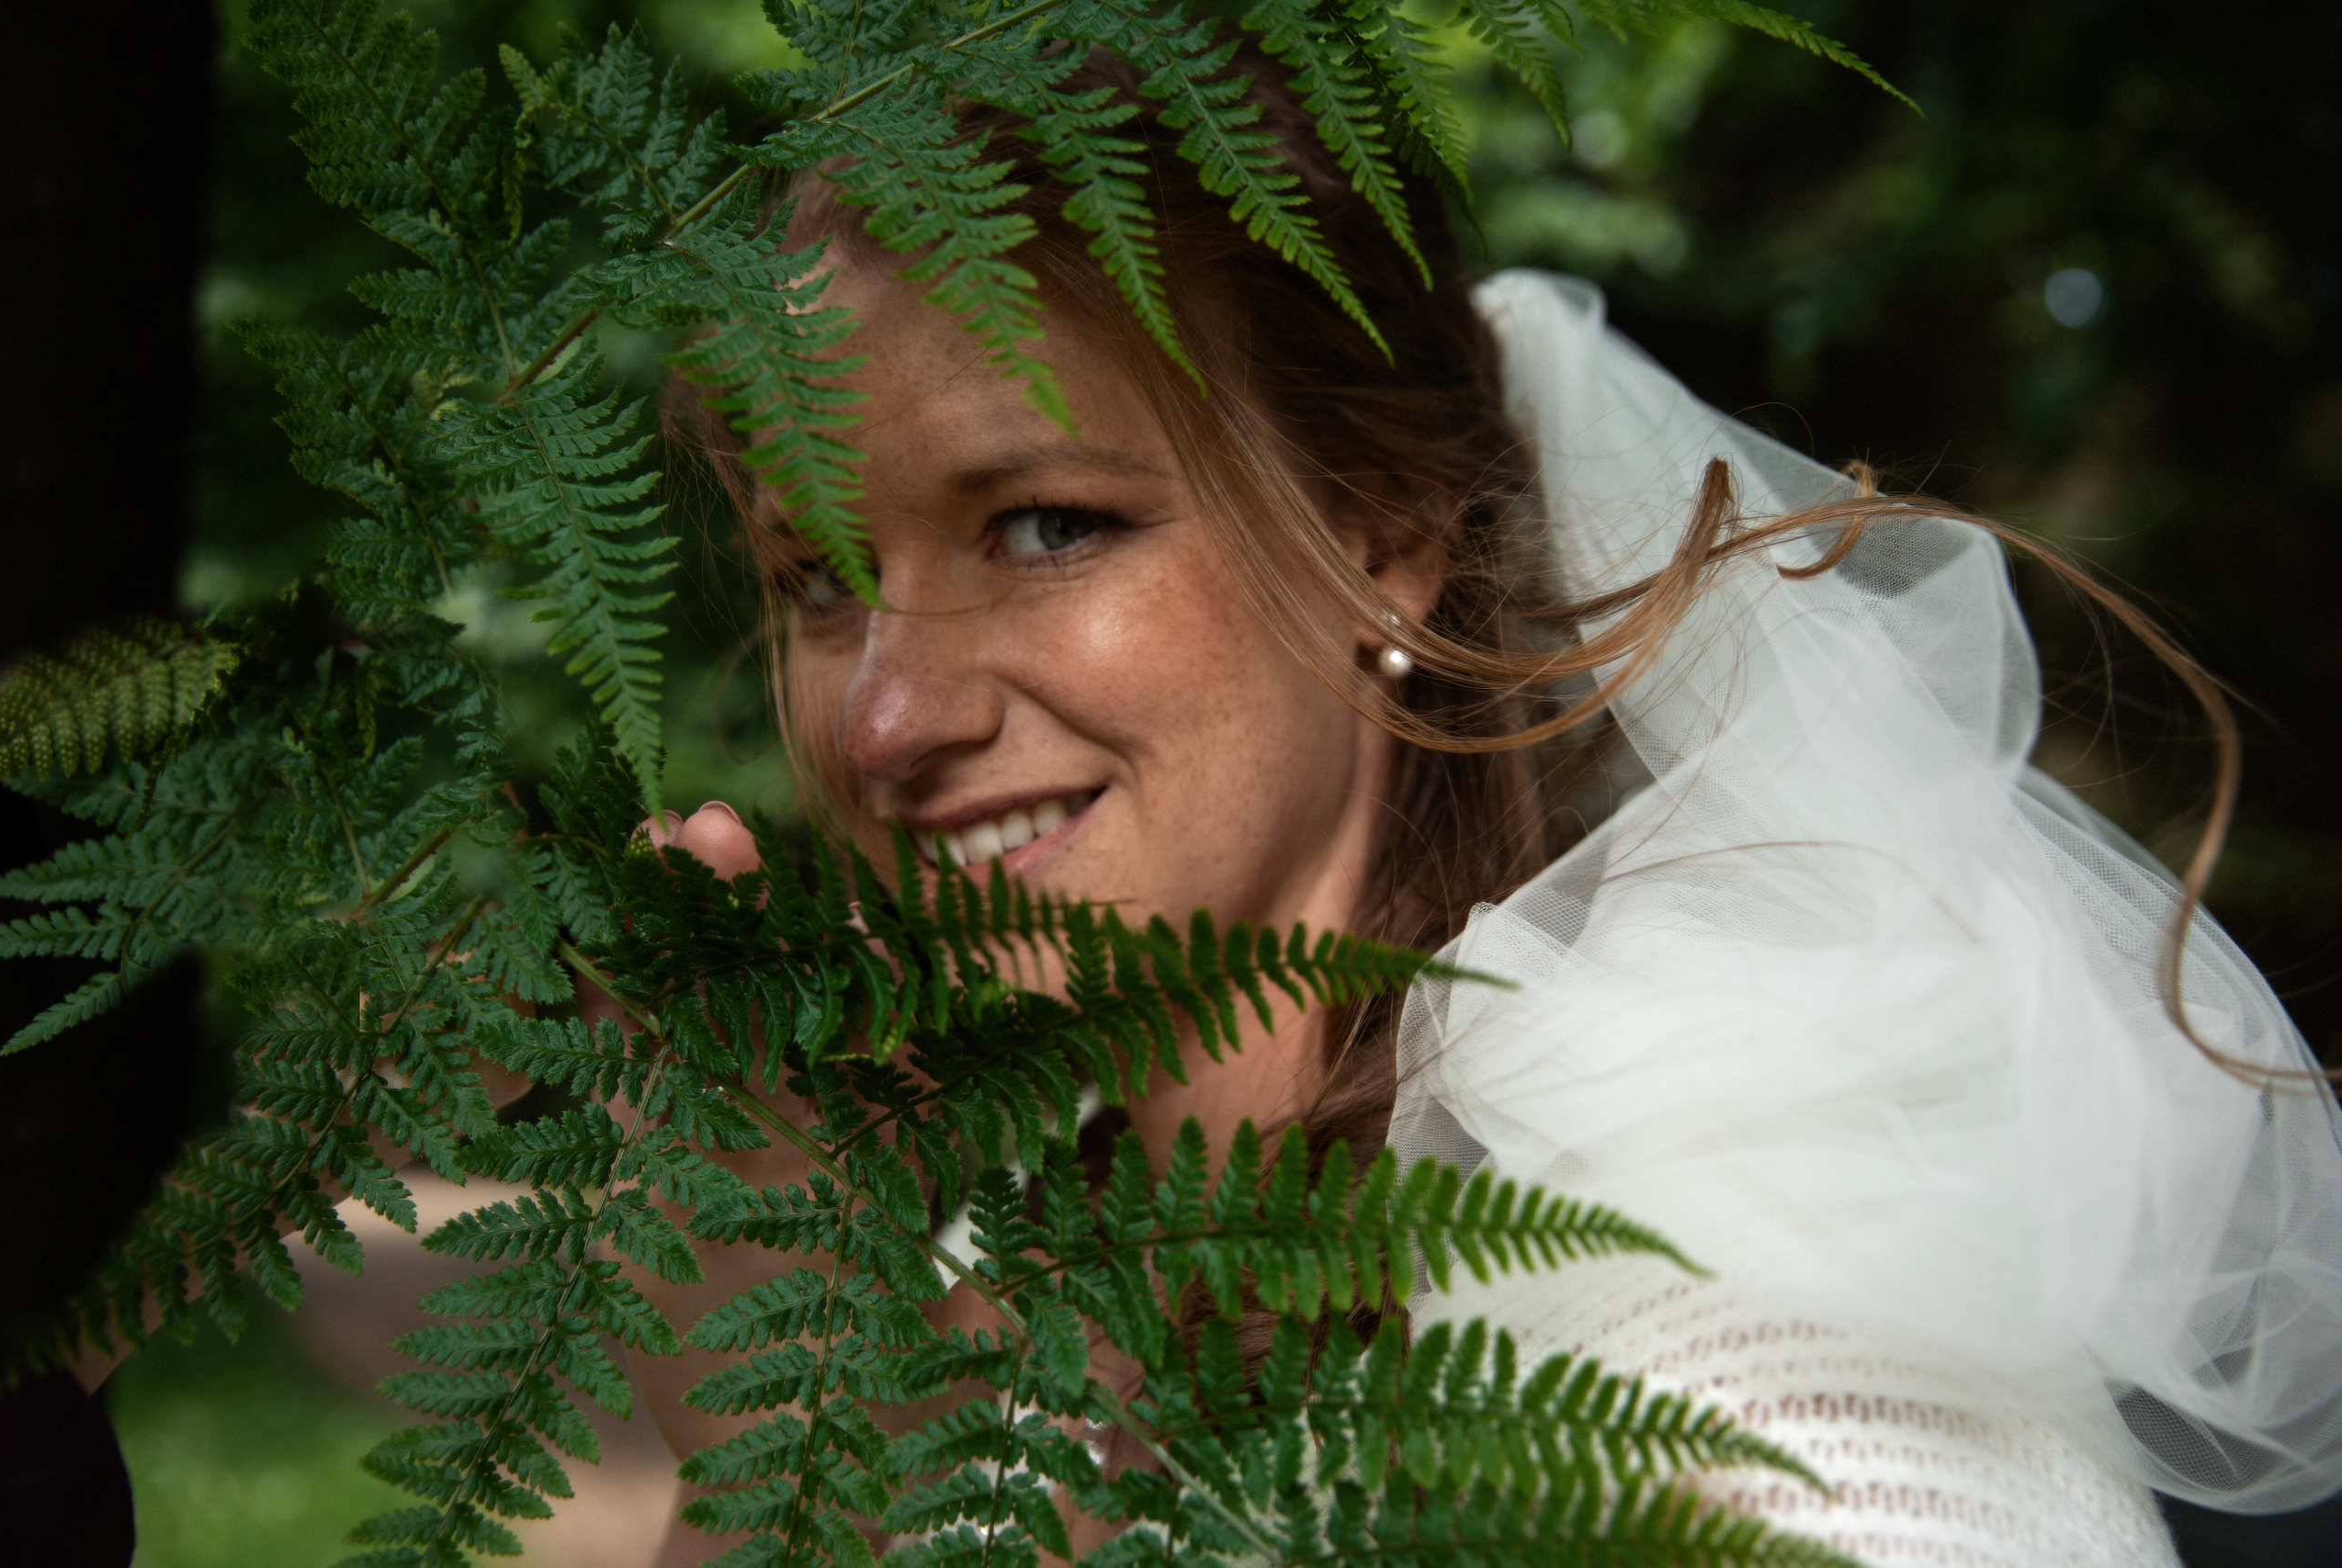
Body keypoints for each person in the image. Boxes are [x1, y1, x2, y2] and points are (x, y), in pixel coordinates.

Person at [624, 50, 2342, 1568]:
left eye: (1048, 526)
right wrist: (786, 1400)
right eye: (815, 576)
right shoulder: (998, 1254)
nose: (884, 720)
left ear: (1382, 535)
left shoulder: (1739, 1269)